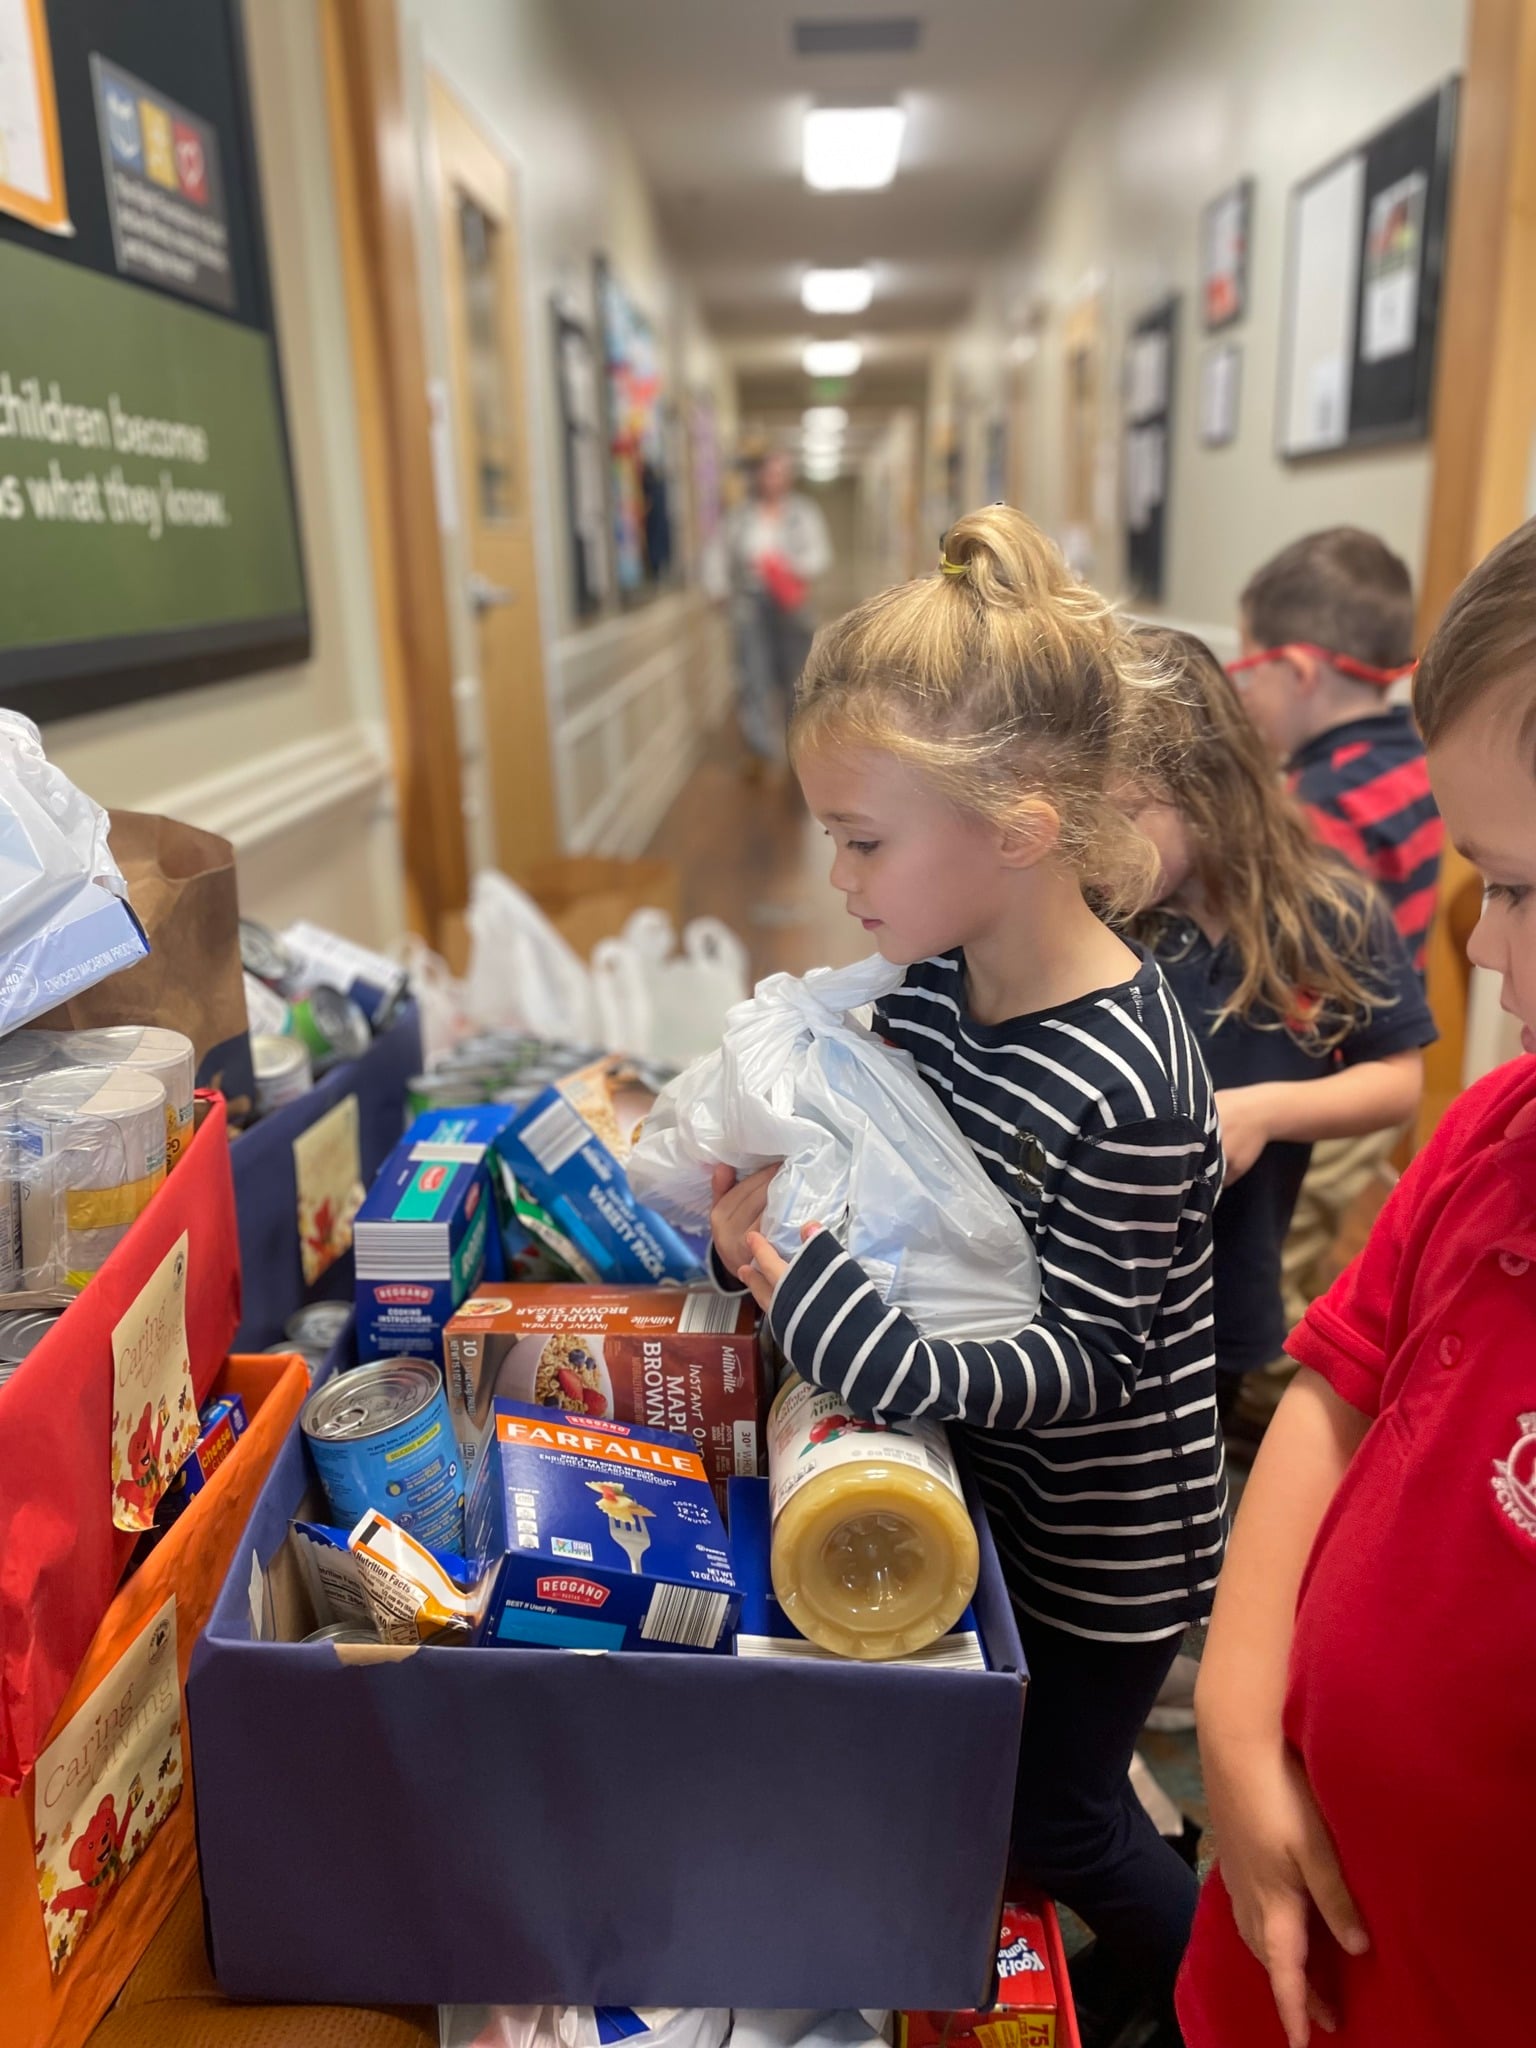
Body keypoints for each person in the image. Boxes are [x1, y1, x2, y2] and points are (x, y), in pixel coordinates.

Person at [711, 507, 1226, 2047]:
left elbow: (1087, 1366)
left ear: (1015, 829)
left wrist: (837, 1323)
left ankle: (1221, 1991)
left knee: (1067, 1820)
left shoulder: (1132, 1076)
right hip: (990, 1496)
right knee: (994, 1780)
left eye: (865, 840)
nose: (838, 874)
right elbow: (894, 1193)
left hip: (1107, 1543)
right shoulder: (932, 995)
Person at [1178, 515, 1536, 2048]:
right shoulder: (1496, 1135)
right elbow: (1336, 1388)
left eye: (1518, 889)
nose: (1492, 961)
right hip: (1289, 1944)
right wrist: (1238, 1723)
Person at [1124, 628, 1434, 1418]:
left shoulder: (1326, 908)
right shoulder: (1096, 914)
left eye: (1123, 816)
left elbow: (1398, 1080)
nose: (1098, 851)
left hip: (1225, 1292)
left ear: (1205, 787)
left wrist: (1263, 1110)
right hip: (1094, 1295)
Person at [1226, 529, 1445, 1422]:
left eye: (1250, 670)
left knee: (1277, 1256)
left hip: (1330, 1071)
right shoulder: (1419, 764)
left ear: (1302, 671)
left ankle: (1280, 1411)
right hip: (1367, 1045)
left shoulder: (1314, 815)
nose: (1244, 690)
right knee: (1316, 1246)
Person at [727, 449, 832, 772]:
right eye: (768, 472)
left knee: (795, 677)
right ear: (759, 476)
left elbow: (820, 555)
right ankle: (759, 749)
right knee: (753, 675)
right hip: (752, 602)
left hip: (790, 601)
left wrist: (787, 568)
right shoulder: (742, 515)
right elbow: (721, 555)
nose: (773, 479)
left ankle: (796, 743)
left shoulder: (804, 513)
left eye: (780, 472)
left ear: (788, 477)